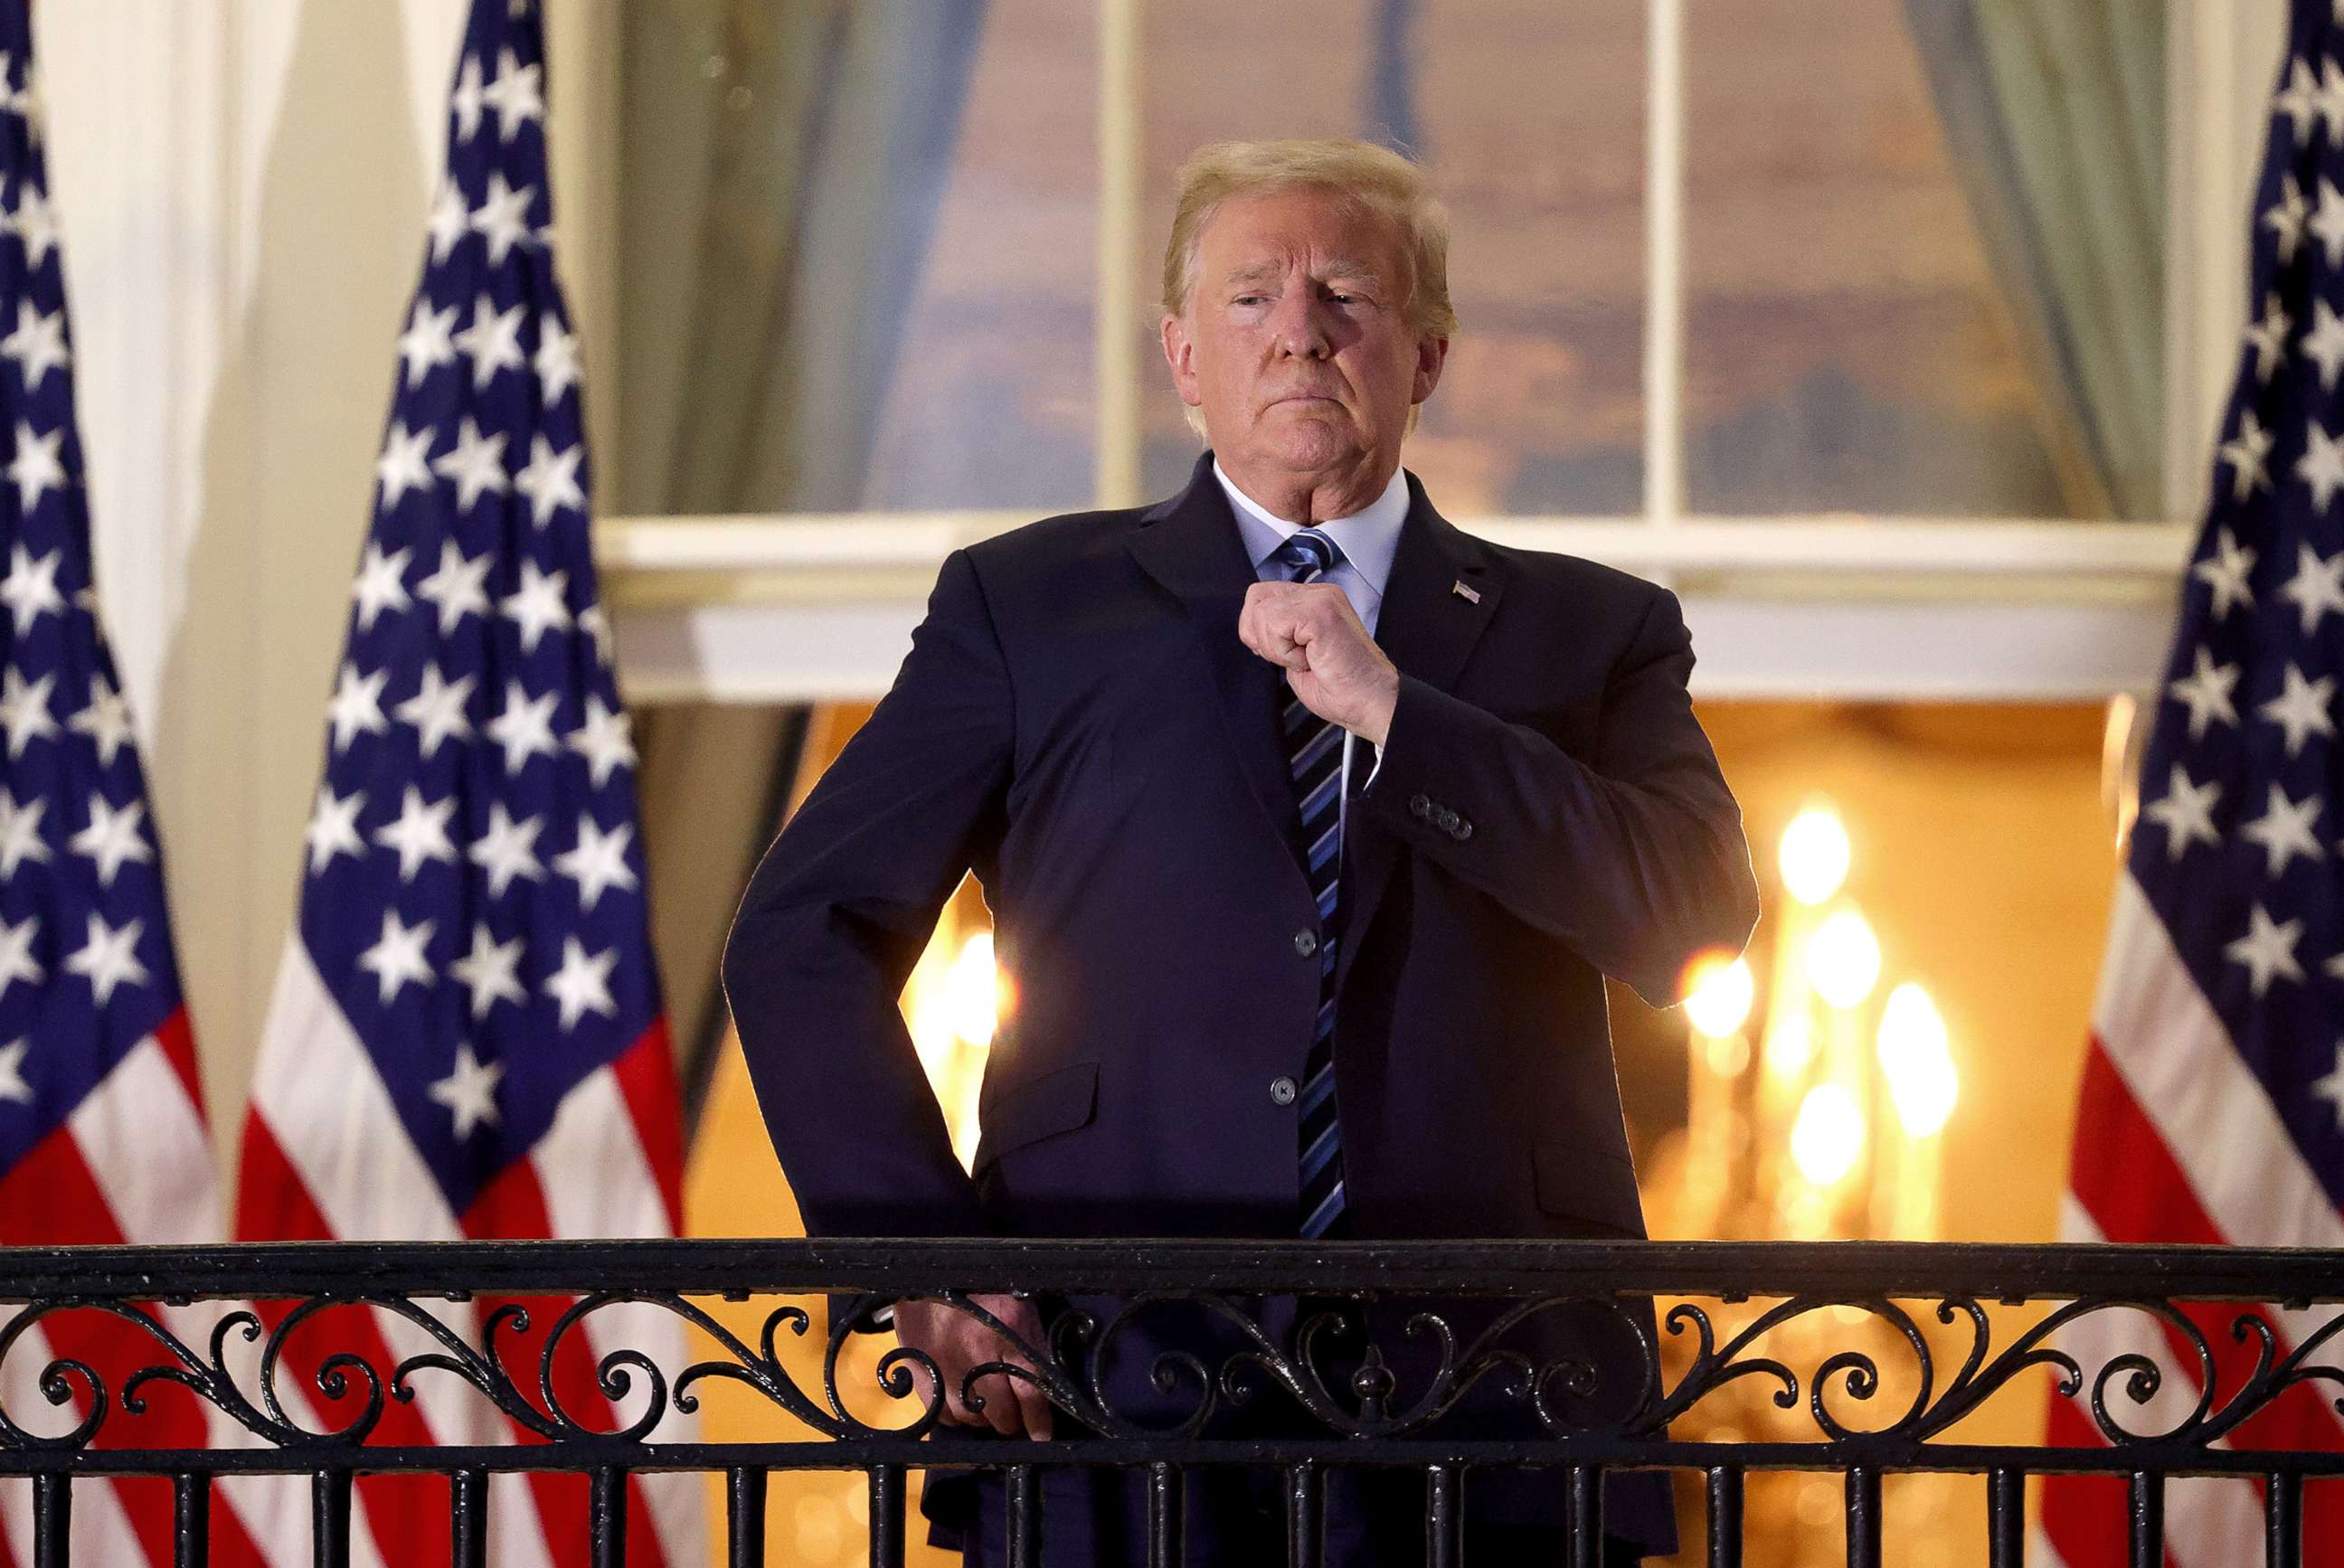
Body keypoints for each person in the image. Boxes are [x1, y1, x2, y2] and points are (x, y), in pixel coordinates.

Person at [723, 137, 1761, 1566]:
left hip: (1501, 1400)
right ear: (1183, 356)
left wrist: (1398, 710)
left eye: (1347, 294)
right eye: (1253, 297)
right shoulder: (1026, 608)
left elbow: (1695, 912)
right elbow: (798, 933)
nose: (1301, 332)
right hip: (1107, 1385)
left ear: (1429, 354)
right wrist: (927, 1263)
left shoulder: (1589, 632)